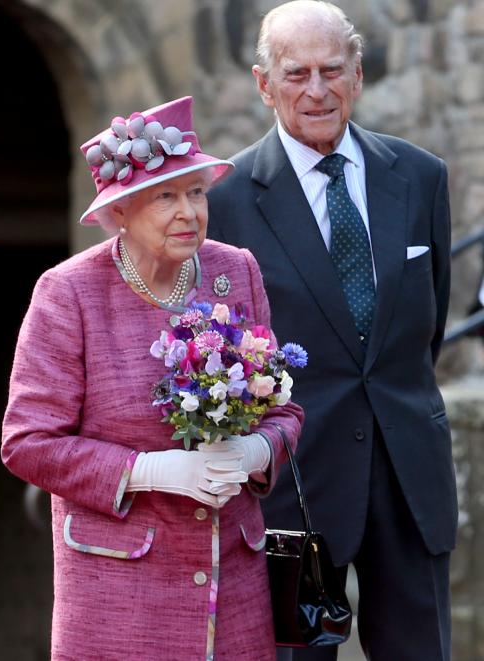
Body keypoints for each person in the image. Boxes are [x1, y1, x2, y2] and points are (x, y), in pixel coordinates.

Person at [1, 95, 304, 661]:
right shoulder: (68, 293)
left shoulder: (235, 270)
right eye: (166, 196)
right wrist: (149, 470)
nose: (189, 212)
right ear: (120, 211)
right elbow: (27, 443)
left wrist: (255, 452)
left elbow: (284, 409)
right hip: (119, 602)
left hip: (231, 592)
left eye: (196, 192)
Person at [207, 2, 458, 660]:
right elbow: (222, 348)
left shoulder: (421, 176)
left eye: (331, 70)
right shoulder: (226, 201)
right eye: (296, 74)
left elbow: (421, 333)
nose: (316, 90)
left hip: (409, 480)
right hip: (294, 489)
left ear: (358, 75)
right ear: (265, 85)